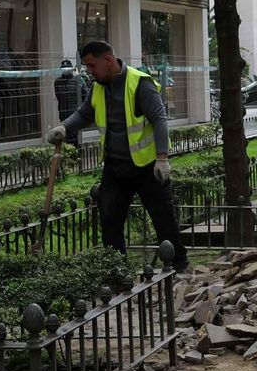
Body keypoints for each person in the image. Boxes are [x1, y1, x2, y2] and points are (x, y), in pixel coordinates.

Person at [48, 40, 187, 271]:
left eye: (92, 65)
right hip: (115, 166)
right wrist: (64, 127)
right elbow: (84, 114)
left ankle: (178, 264)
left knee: (163, 218)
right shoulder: (98, 87)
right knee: (110, 219)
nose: (89, 71)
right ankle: (117, 270)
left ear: (108, 60)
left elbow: (159, 118)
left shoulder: (140, 84)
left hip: (147, 166)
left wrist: (162, 158)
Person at [53, 59, 84, 147]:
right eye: (64, 69)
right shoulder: (58, 82)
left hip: (75, 114)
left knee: (75, 138)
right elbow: (59, 97)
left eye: (67, 69)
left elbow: (85, 95)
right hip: (64, 114)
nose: (66, 71)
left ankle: (76, 152)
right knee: (66, 137)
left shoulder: (77, 80)